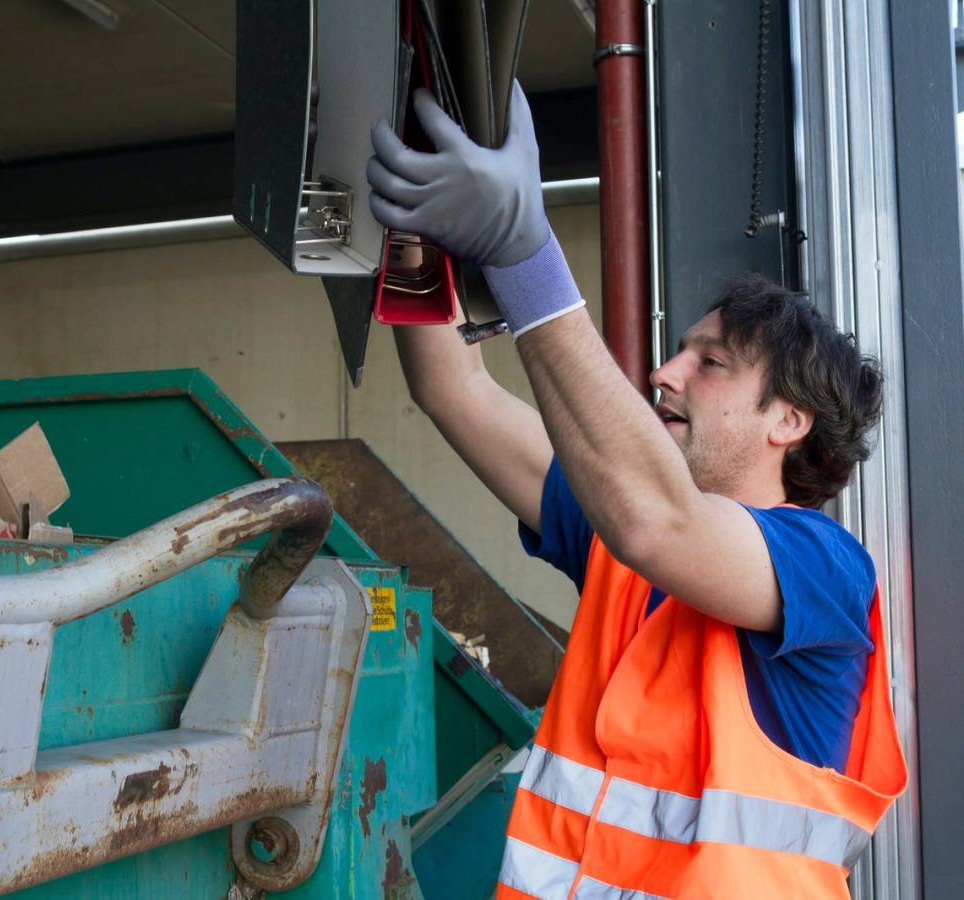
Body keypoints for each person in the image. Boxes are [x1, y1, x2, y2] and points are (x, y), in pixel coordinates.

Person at [366, 82, 907, 898]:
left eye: (710, 362)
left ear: (789, 421)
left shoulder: (824, 569)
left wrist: (523, 252)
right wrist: (417, 254)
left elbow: (659, 523)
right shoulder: (623, 545)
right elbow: (457, 393)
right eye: (679, 351)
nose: (665, 372)